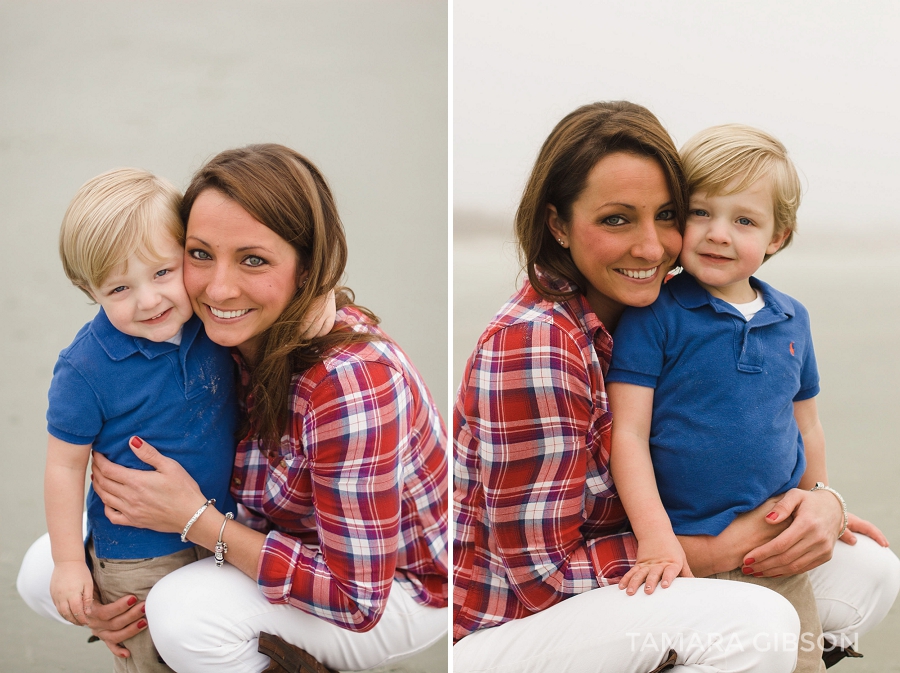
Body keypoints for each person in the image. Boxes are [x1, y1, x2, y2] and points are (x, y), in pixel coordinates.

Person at [452, 101, 900, 673]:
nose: (650, 247)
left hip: (652, 551)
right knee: (757, 627)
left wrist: (822, 504)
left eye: (665, 215)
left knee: (874, 571)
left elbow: (792, 420)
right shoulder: (535, 347)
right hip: (513, 626)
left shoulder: (664, 302)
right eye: (616, 219)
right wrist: (726, 548)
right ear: (557, 224)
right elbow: (542, 578)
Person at [20, 145, 449, 673]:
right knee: (43, 571)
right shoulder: (201, 330)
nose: (219, 288)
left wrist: (193, 519)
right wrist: (104, 602)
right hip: (264, 530)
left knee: (183, 615)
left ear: (308, 268)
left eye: (254, 260)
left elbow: (356, 598)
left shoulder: (352, 384)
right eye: (200, 254)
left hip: (393, 588)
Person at [606, 124, 895, 673]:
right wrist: (658, 541)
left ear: (777, 237)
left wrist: (819, 502)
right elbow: (628, 434)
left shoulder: (792, 318)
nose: (719, 233)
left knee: (798, 662)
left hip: (777, 547)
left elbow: (805, 425)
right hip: (688, 546)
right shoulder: (654, 316)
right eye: (701, 213)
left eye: (744, 220)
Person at [34, 167, 239, 673]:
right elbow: (63, 467)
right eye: (120, 288)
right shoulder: (85, 368)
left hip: (226, 530)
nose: (149, 301)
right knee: (154, 660)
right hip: (138, 555)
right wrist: (67, 564)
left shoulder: (212, 326)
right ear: (89, 289)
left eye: (162, 273)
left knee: (223, 651)